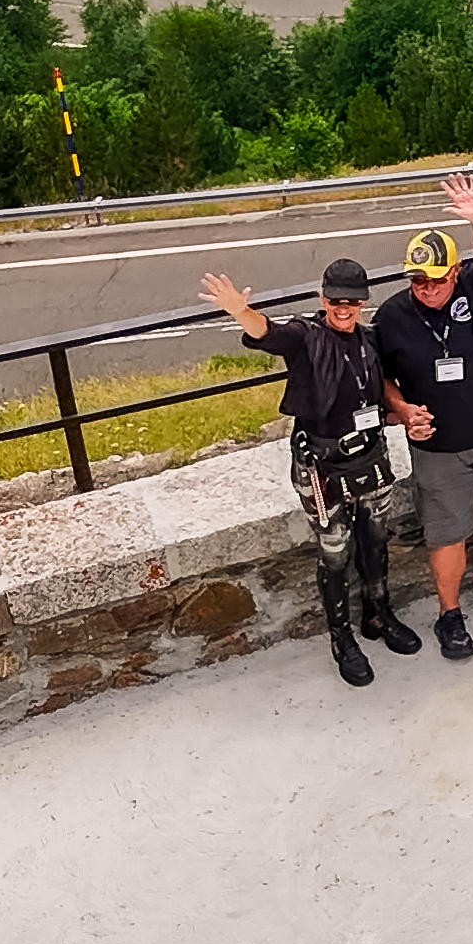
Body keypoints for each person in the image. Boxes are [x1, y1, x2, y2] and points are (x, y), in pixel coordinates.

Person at [200, 258, 420, 686]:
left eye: (353, 302)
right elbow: (267, 333)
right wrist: (239, 311)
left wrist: (404, 413)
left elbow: (381, 389)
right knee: (335, 554)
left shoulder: (369, 341)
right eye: (336, 301)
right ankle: (341, 638)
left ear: (363, 303)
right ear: (323, 299)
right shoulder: (306, 337)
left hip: (371, 456)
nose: (344, 309)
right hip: (322, 466)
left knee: (375, 542)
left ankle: (378, 615)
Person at [372, 172, 473, 661]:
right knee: (445, 532)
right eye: (417, 281)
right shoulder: (391, 317)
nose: (426, 289)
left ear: (456, 271)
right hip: (440, 446)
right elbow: (381, 379)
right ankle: (449, 613)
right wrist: (401, 411)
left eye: (436, 280)